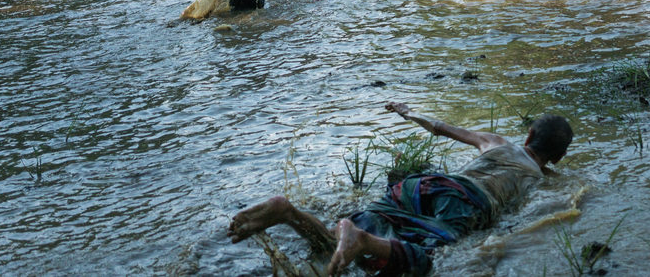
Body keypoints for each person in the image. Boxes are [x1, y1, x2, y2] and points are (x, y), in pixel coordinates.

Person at [227, 103, 573, 277]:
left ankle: (289, 212)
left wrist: (407, 113)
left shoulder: (496, 142)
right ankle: (362, 241)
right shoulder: (540, 179)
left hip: (425, 185)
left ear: (527, 135)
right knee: (432, 258)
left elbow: (439, 127)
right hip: (467, 201)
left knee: (344, 240)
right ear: (556, 158)